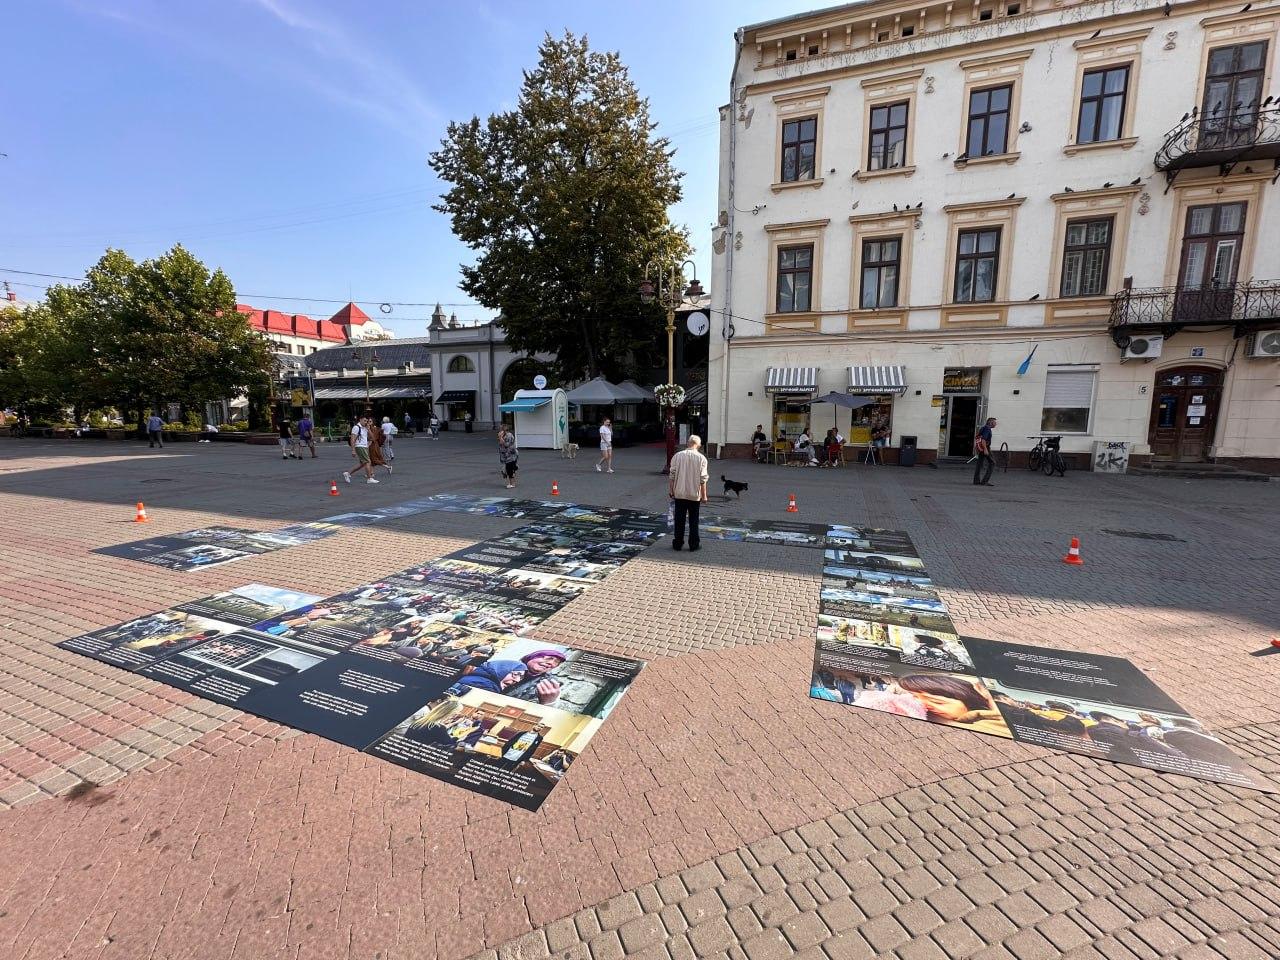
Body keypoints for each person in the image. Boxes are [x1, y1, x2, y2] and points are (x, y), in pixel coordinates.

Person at [450, 649, 567, 705]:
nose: (551, 663)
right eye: (548, 658)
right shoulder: (501, 666)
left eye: (556, 663)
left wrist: (549, 702)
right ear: (531, 657)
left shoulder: (550, 686)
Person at [668, 434, 709, 552]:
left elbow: (672, 475)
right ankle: (693, 544)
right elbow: (703, 479)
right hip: (694, 495)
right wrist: (704, 495)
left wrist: (671, 490)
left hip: (679, 493)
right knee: (693, 520)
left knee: (679, 519)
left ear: (688, 443)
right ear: (699, 445)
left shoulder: (677, 456)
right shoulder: (702, 458)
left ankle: (677, 543)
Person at [343, 416, 378, 484]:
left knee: (362, 464)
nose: (366, 422)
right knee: (368, 462)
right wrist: (353, 450)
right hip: (360, 446)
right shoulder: (356, 427)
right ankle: (369, 478)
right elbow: (352, 439)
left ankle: (347, 473)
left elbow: (373, 438)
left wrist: (369, 429)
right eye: (364, 421)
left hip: (364, 447)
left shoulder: (365, 428)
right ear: (360, 420)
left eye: (367, 421)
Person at [973, 416, 997, 486]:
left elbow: (977, 437)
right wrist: (985, 449)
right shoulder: (987, 429)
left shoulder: (983, 428)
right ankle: (985, 481)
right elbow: (983, 439)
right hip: (985, 448)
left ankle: (976, 481)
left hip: (981, 448)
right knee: (992, 463)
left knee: (979, 464)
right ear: (990, 423)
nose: (995, 424)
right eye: (994, 422)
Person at [497, 424, 519, 489]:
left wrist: (500, 437)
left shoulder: (509, 435)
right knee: (507, 470)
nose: (499, 431)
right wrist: (500, 437)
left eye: (501, 429)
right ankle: (510, 483)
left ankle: (513, 483)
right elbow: (501, 444)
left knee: (510, 470)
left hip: (510, 456)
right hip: (505, 456)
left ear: (504, 430)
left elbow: (507, 445)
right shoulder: (504, 435)